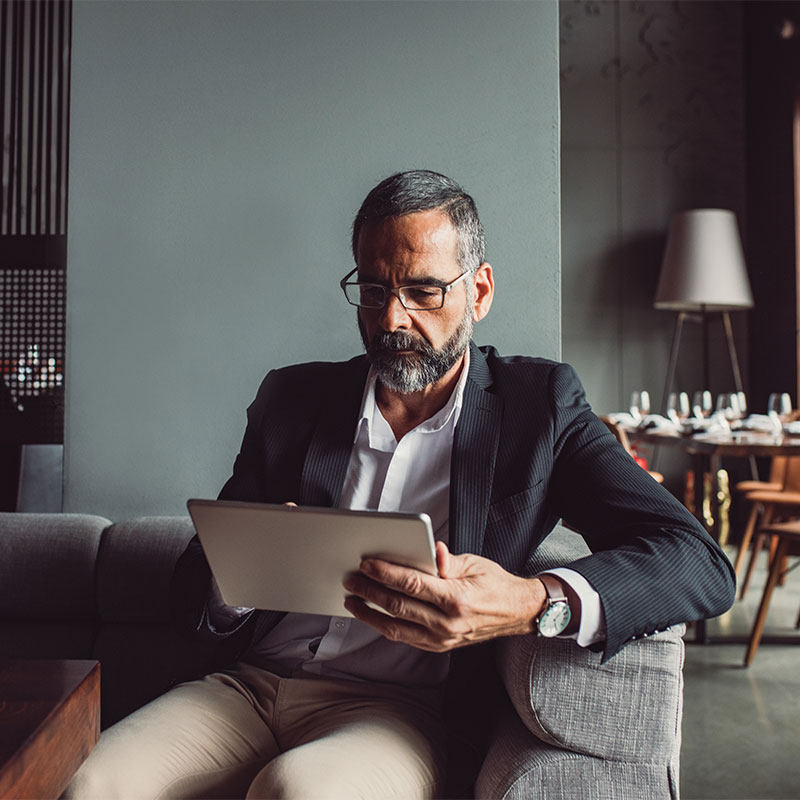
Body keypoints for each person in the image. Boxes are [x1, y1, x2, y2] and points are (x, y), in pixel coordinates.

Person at [67, 170, 735, 800]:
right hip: (249, 687)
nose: (392, 319)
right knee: (87, 784)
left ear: (479, 291)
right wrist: (241, 573)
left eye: (422, 290)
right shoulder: (292, 399)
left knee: (297, 793)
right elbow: (194, 595)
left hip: (398, 711)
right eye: (375, 289)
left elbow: (699, 561)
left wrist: (536, 600)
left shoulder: (541, 408)